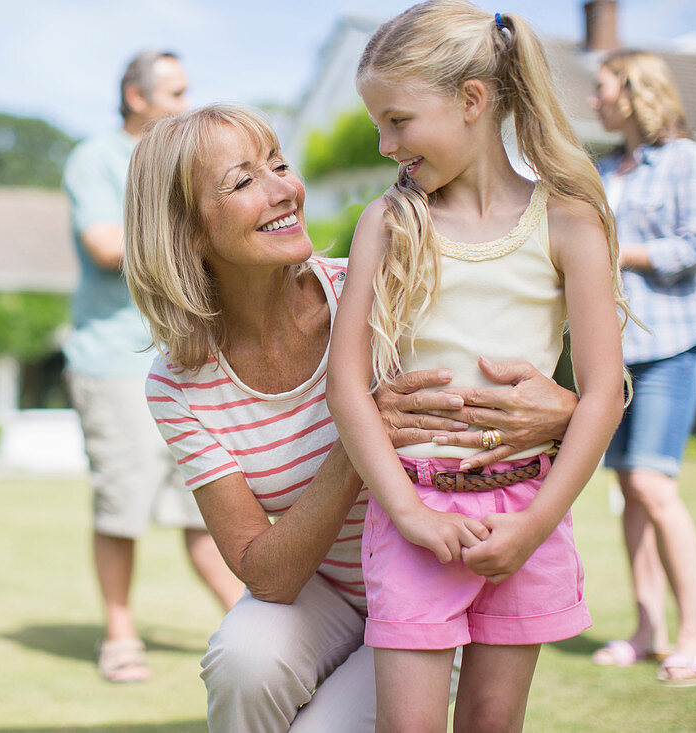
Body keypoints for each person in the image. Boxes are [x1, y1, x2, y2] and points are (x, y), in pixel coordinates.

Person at [124, 102, 578, 731]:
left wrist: (565, 410)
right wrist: (362, 433)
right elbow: (268, 574)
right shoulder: (179, 386)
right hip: (326, 593)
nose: (285, 190)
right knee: (243, 661)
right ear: (186, 232)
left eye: (279, 164)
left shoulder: (380, 286)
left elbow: (509, 388)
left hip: (432, 586)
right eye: (244, 180)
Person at [325, 2, 632, 730]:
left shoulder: (569, 222)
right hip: (416, 521)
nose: (383, 143)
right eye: (378, 124)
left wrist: (536, 525)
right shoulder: (388, 223)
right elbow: (348, 386)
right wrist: (407, 512)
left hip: (528, 514)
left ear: (471, 100)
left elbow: (602, 394)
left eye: (398, 120)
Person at [61, 49, 244, 683]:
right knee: (123, 505)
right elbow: (107, 245)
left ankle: (252, 624)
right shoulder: (96, 159)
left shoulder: (182, 164)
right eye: (175, 93)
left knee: (206, 503)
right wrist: (195, 231)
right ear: (137, 98)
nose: (187, 105)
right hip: (114, 361)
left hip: (188, 354)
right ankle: (119, 636)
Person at [588, 49, 696, 686]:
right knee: (628, 493)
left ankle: (695, 636)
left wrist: (612, 249)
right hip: (614, 355)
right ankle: (647, 630)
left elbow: (695, 248)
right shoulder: (607, 167)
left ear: (636, 91)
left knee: (651, 484)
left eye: (603, 88)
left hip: (670, 344)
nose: (595, 100)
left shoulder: (687, 160)